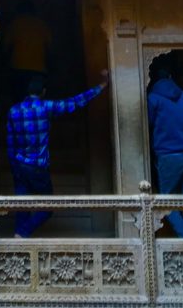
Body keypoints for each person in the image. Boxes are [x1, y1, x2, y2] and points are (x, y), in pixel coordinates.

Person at [6, 70, 108, 238]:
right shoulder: (46, 107)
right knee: (47, 206)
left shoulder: (13, 111)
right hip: (38, 167)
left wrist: (13, 166)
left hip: (19, 165)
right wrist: (101, 86)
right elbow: (74, 102)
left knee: (21, 205)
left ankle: (19, 238)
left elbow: (10, 143)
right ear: (43, 91)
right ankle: (23, 233)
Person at [147, 70, 183, 238]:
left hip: (168, 156)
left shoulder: (154, 99)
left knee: (166, 202)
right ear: (171, 77)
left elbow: (150, 123)